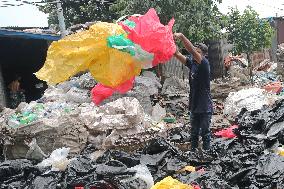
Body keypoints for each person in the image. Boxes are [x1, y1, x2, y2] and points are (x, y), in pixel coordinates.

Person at [173, 33, 213, 151]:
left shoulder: (204, 63)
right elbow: (177, 54)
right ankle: (194, 154)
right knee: (194, 133)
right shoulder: (193, 64)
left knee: (205, 133)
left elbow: (191, 51)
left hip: (205, 107)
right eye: (196, 52)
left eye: (198, 52)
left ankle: (207, 154)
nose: (195, 54)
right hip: (194, 106)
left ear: (203, 54)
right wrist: (170, 42)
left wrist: (181, 36)